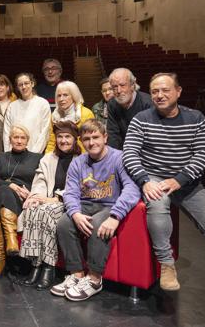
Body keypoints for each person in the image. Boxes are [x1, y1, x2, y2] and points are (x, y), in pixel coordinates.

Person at [123, 73, 205, 308]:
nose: (159, 95)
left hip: (187, 182)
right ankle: (167, 265)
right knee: (158, 208)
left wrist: (179, 180)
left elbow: (204, 154)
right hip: (155, 179)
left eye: (165, 90)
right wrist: (144, 180)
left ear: (178, 92)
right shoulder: (141, 119)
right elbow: (130, 153)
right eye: (155, 92)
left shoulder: (196, 118)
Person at [50, 119, 139, 302]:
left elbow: (132, 188)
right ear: (81, 141)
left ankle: (94, 279)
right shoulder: (78, 162)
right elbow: (71, 192)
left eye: (96, 137)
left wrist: (116, 216)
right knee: (64, 223)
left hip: (110, 205)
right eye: (87, 139)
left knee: (98, 225)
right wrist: (75, 213)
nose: (92, 143)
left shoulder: (119, 158)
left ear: (105, 137)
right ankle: (76, 274)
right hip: (86, 204)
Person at [17, 121, 82, 290]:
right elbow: (40, 181)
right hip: (48, 201)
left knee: (45, 212)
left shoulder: (82, 160)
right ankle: (35, 265)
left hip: (70, 204)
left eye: (68, 137)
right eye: (60, 137)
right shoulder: (48, 158)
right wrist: (36, 197)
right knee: (32, 209)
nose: (63, 140)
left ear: (75, 139)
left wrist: (55, 199)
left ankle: (48, 266)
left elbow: (79, 189)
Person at [0, 125, 41, 281]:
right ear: (10, 140)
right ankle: (11, 240)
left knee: (2, 199)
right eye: (16, 137)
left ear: (27, 140)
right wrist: (10, 185)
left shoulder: (37, 158)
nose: (19, 140)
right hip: (1, 192)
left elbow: (41, 181)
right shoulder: (2, 157)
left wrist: (31, 193)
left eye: (22, 138)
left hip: (23, 197)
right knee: (4, 191)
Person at [3, 72, 51, 153]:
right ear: (17, 87)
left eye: (26, 83)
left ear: (32, 84)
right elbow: (7, 132)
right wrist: (8, 153)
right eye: (20, 85)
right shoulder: (12, 106)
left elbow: (45, 132)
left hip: (35, 153)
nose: (24, 87)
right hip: (14, 155)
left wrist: (34, 155)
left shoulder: (42, 104)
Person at [107, 68, 152, 149]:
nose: (119, 90)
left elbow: (151, 137)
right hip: (122, 152)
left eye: (122, 85)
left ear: (133, 85)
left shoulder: (148, 103)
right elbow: (113, 135)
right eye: (114, 87)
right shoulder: (112, 104)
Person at [45, 81, 94, 153]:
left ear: (74, 96)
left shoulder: (86, 114)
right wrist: (47, 158)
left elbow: (89, 141)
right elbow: (52, 141)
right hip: (60, 156)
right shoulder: (54, 116)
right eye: (59, 95)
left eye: (65, 95)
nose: (61, 99)